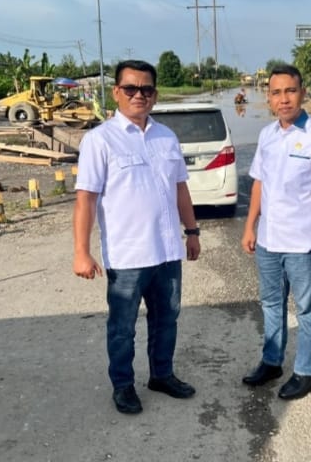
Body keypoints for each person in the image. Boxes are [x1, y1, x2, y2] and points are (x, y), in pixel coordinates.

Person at [73, 59, 201, 415]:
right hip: (128, 256)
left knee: (167, 320)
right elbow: (86, 199)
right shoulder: (100, 140)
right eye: (130, 88)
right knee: (122, 328)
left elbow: (180, 189)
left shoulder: (166, 137)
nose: (138, 95)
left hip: (167, 252)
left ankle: (162, 375)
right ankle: (123, 385)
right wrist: (81, 251)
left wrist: (192, 232)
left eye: (146, 89)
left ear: (155, 95)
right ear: (117, 92)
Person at [241, 64, 311, 400]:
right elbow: (259, 183)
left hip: (303, 244)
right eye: (276, 92)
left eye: (290, 91)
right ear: (268, 98)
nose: (283, 99)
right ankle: (272, 362)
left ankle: (305, 372)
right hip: (268, 241)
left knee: (307, 310)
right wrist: (250, 226)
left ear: (303, 93)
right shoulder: (267, 135)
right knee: (271, 304)